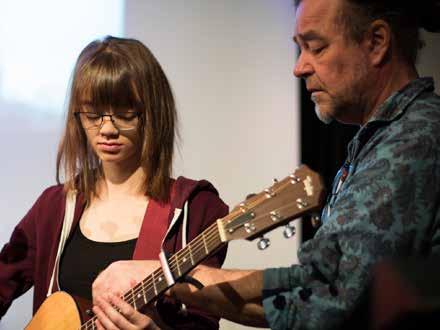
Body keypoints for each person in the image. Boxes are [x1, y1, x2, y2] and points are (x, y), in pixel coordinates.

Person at [93, 0, 440, 329]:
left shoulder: (413, 142)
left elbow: (328, 296)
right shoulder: (377, 143)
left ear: (377, 42)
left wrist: (169, 276)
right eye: (300, 48)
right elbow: (314, 290)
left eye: (316, 47)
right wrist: (171, 281)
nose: (299, 66)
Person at [0, 36, 228, 330]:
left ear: (153, 113)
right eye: (93, 114)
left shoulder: (194, 209)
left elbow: (203, 321)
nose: (107, 129)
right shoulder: (55, 206)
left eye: (125, 113)